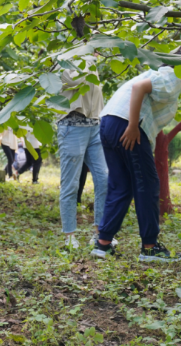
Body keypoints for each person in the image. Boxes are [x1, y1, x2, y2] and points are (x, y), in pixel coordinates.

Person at [93, 45, 181, 262]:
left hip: (109, 121)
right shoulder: (172, 76)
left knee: (121, 185)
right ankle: (150, 248)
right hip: (126, 124)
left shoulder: (165, 76)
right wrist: (133, 126)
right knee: (148, 185)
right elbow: (138, 87)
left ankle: (103, 244)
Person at [57, 59, 109, 250]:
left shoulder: (92, 62)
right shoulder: (67, 60)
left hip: (95, 126)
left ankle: (99, 233)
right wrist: (89, 58)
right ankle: (70, 236)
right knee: (71, 183)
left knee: (104, 178)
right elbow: (73, 81)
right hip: (71, 126)